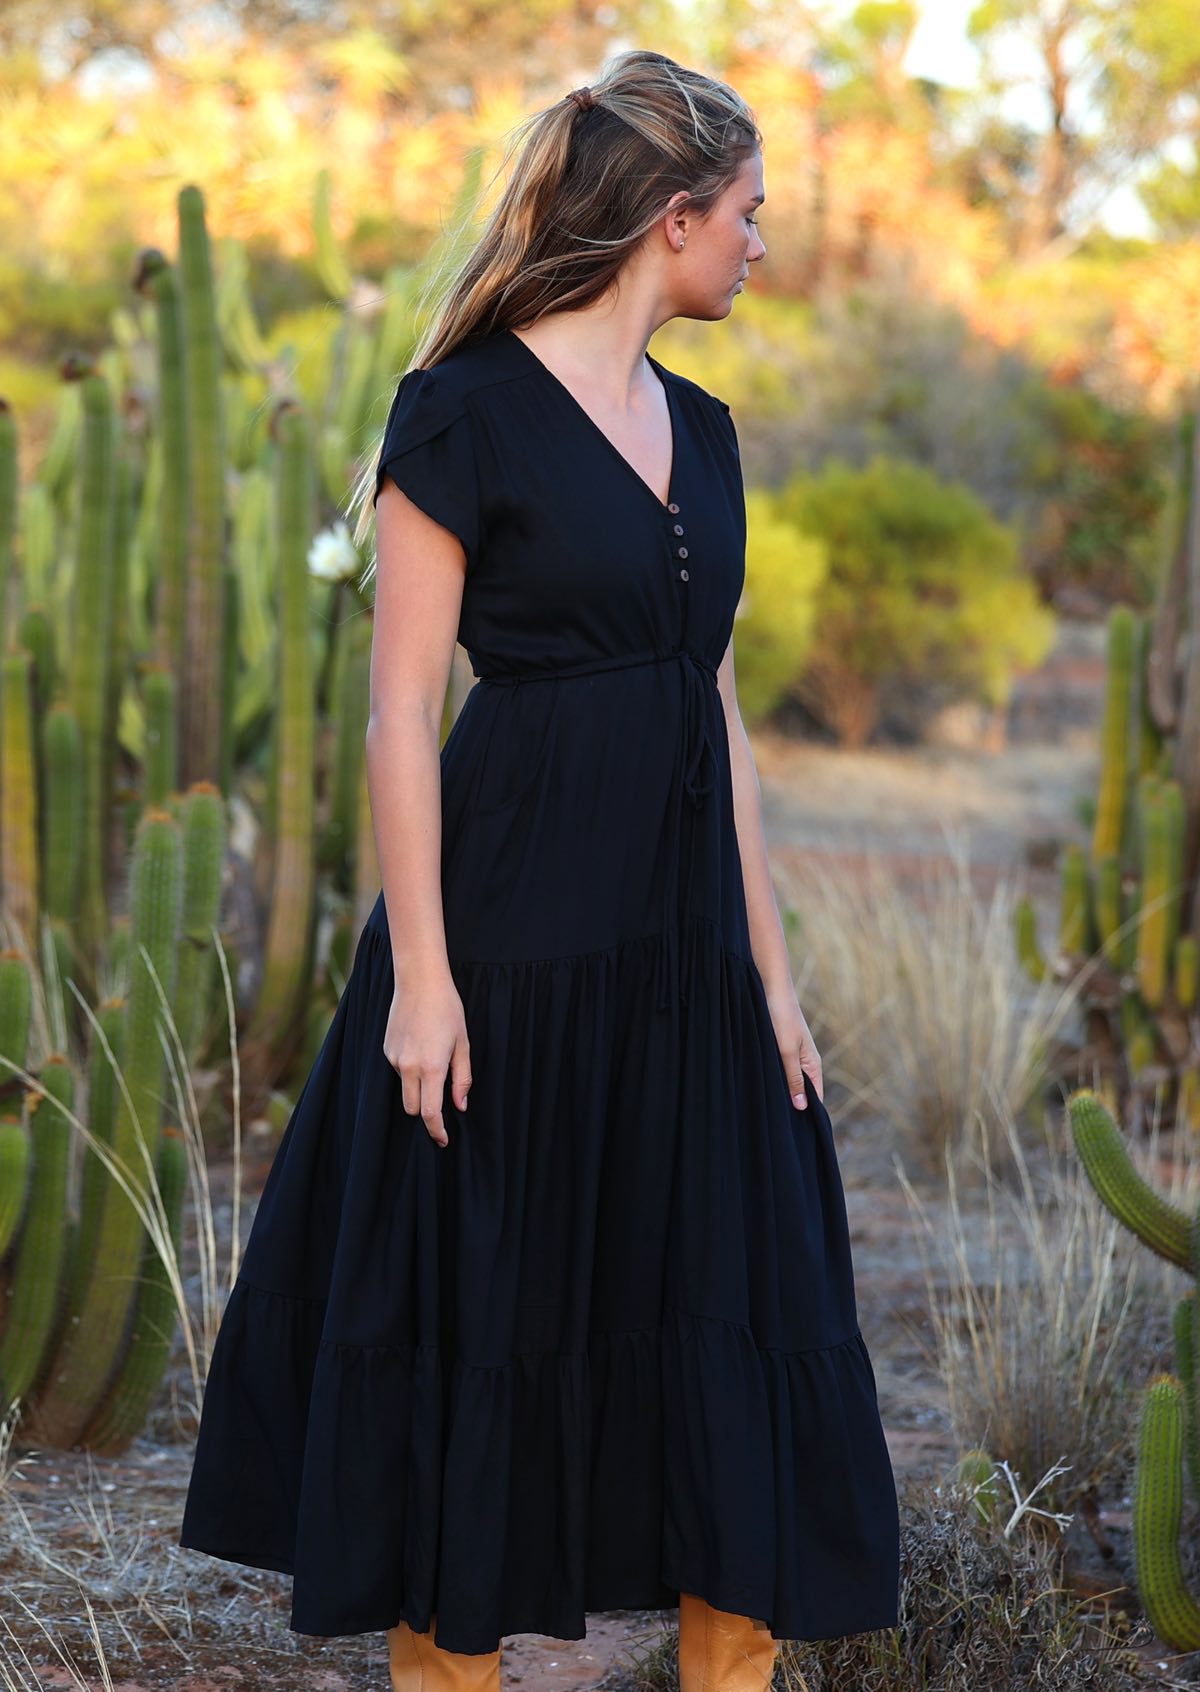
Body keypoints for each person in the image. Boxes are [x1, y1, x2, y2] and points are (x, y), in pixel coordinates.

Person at [178, 46, 901, 1692]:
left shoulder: (706, 433)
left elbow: (716, 708)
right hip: (504, 948)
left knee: (729, 1326)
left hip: (686, 965)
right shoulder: (462, 411)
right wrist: (422, 985)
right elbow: (396, 718)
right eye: (749, 215)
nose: (762, 246)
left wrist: (773, 981)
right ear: (668, 220)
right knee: (490, 1330)